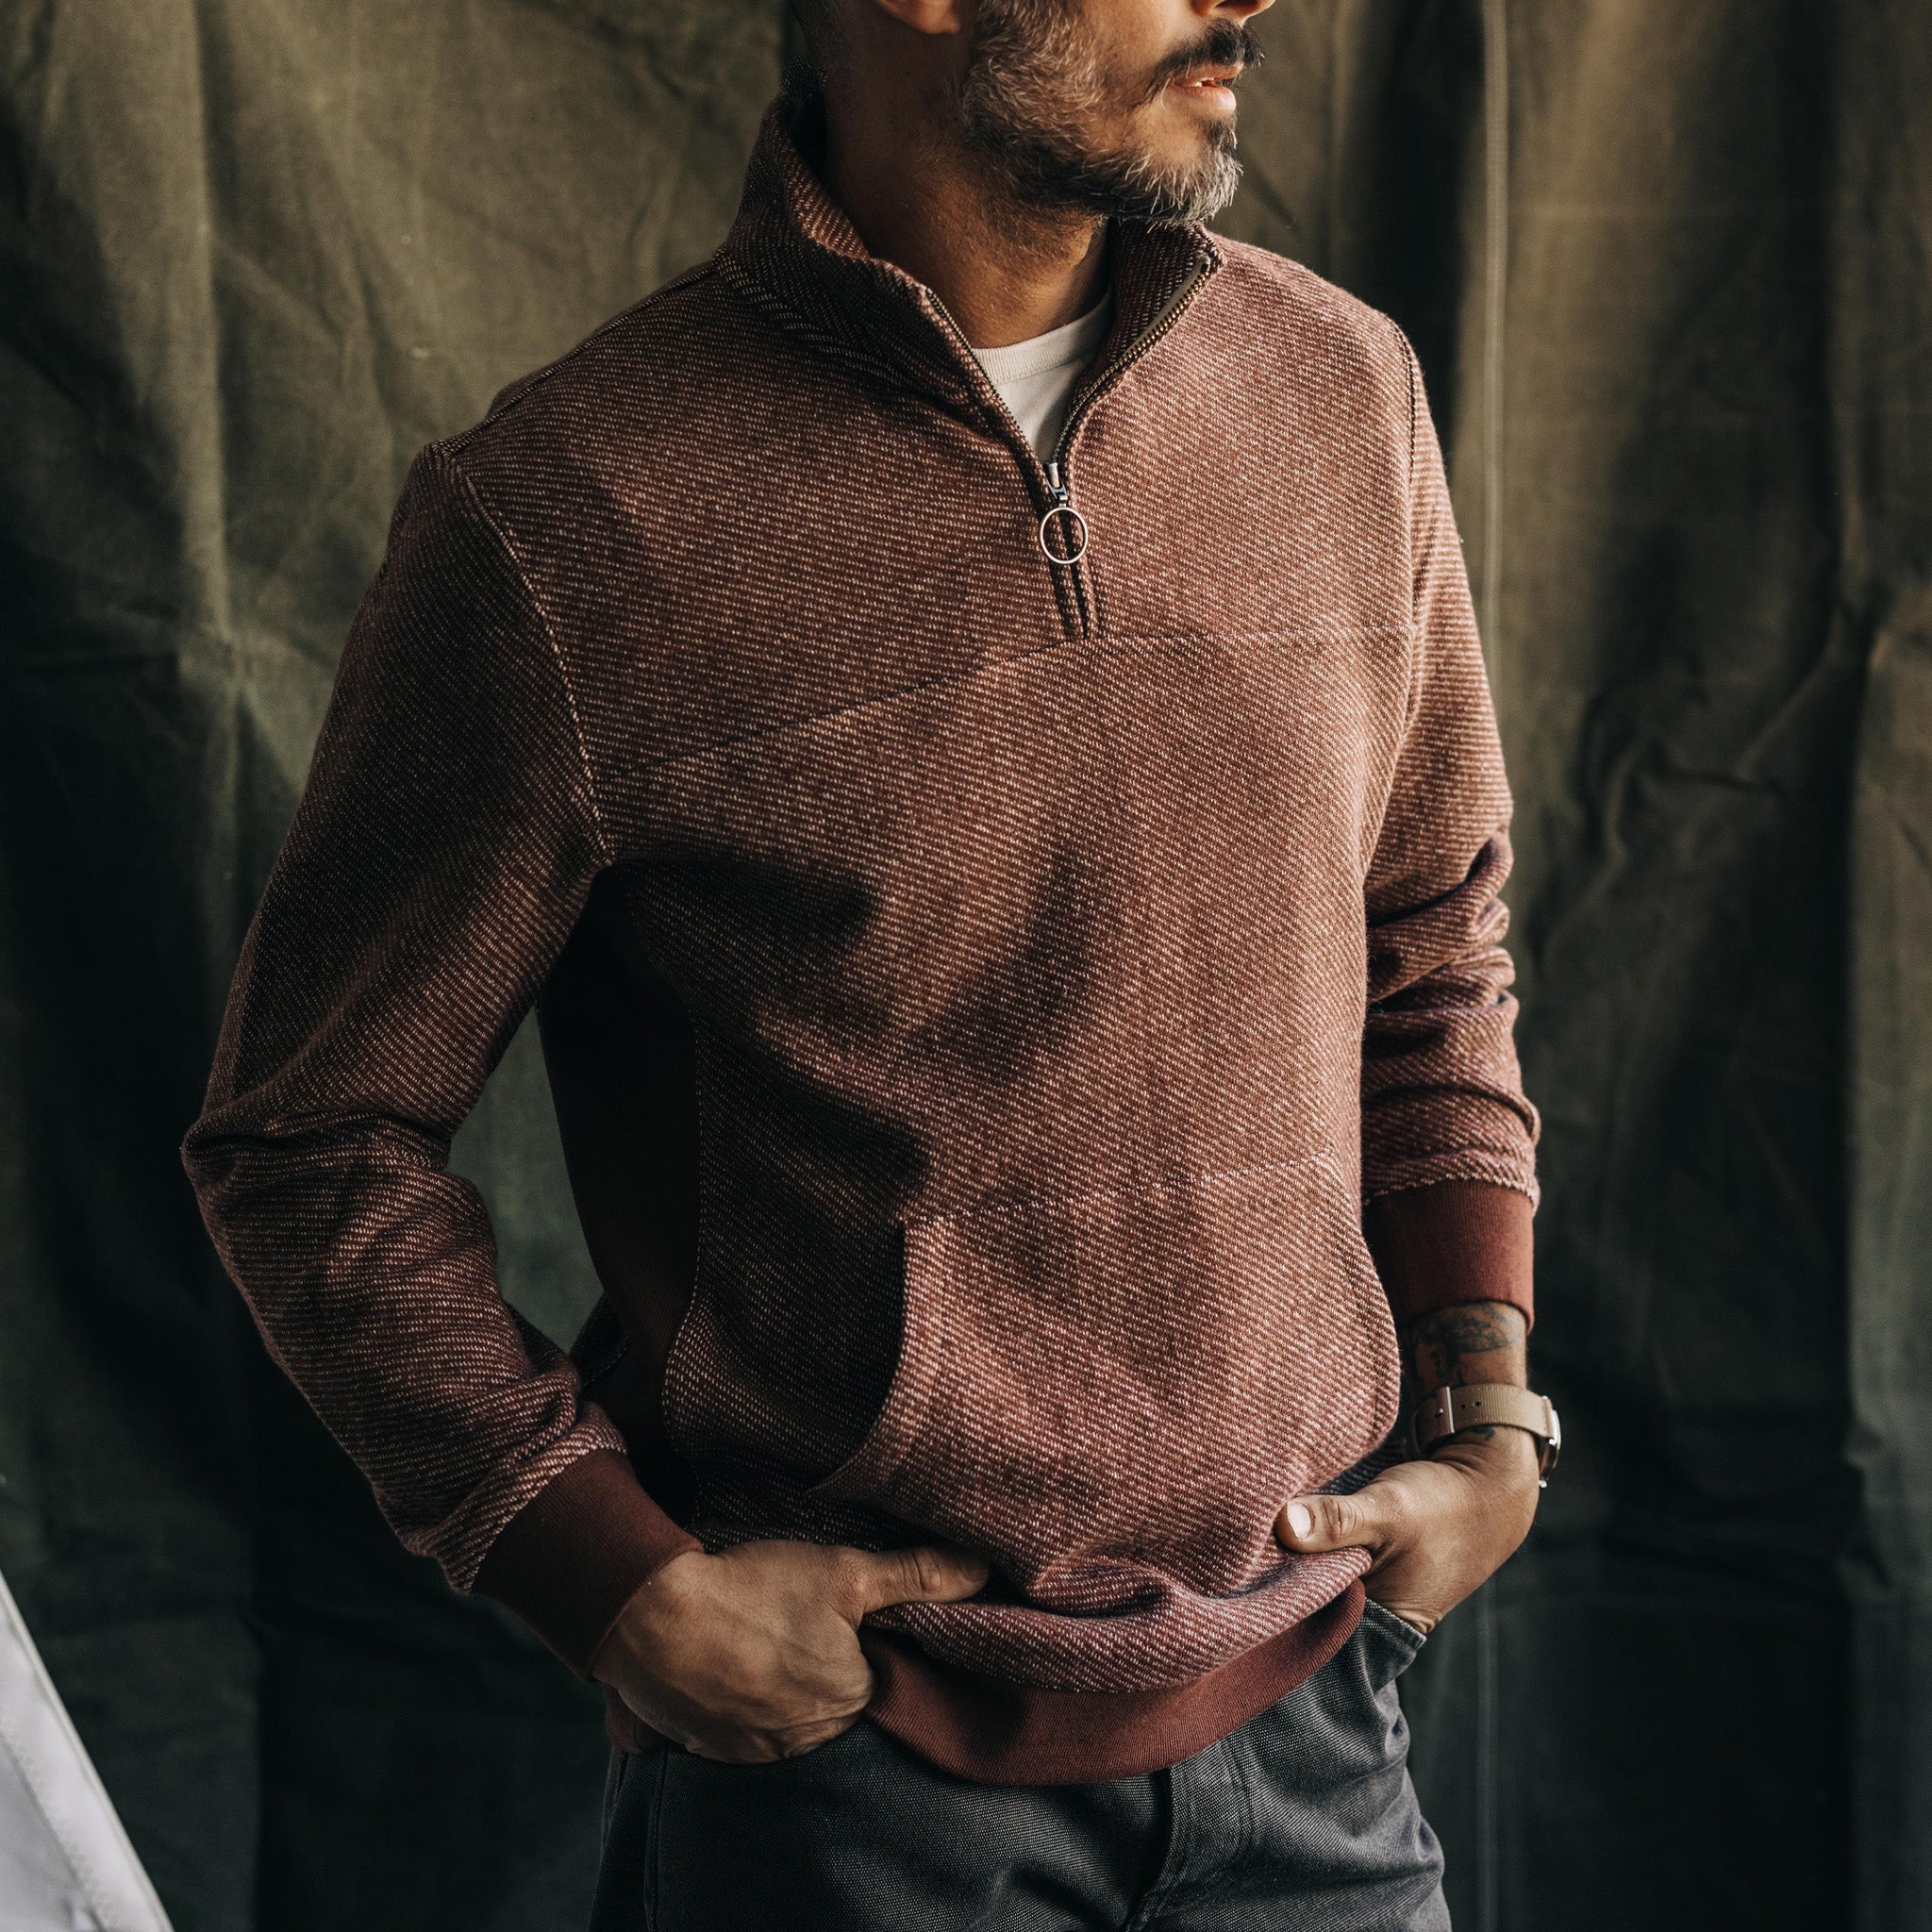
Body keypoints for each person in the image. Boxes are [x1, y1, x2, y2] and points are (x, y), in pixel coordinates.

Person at [182, 0, 1560, 1922]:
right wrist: (611, 1578)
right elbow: (309, 1136)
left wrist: (1491, 1406)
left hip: (1318, 1730)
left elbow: (1427, 945)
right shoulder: (566, 516)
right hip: (858, 1796)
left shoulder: (1340, 388)